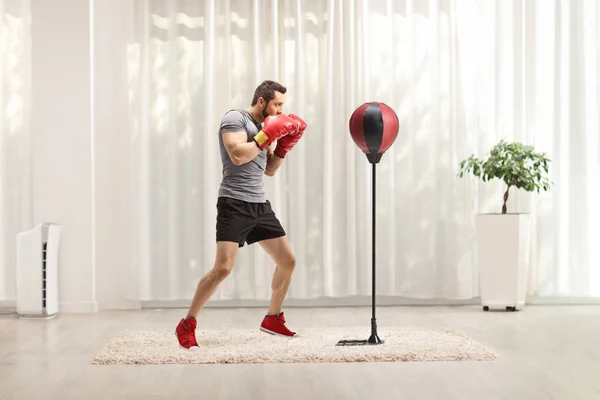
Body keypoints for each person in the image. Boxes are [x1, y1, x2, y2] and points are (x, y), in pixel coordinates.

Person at [175, 80, 307, 351]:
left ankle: (272, 318)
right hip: (233, 203)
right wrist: (265, 136)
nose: (281, 110)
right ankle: (187, 324)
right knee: (223, 268)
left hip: (259, 204)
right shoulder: (235, 119)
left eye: (283, 105)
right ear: (262, 102)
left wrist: (283, 147)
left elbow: (268, 170)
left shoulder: (266, 127)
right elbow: (237, 155)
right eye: (277, 104)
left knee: (288, 261)